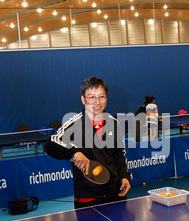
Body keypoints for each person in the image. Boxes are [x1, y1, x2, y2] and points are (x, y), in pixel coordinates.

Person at [45, 77, 131, 209]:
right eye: (91, 97)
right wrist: (74, 153)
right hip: (87, 198)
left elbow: (119, 154)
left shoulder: (114, 123)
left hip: (115, 193)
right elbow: (50, 144)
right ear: (83, 99)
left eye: (102, 96)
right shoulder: (74, 124)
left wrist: (124, 177)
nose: (97, 102)